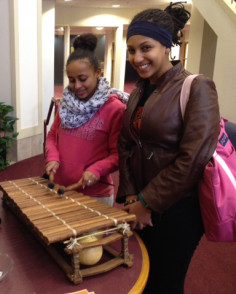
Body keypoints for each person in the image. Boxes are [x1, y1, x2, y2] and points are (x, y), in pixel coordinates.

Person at [116, 2, 220, 293]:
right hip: (138, 202)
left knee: (165, 283)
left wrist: (147, 202)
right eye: (132, 50)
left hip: (178, 211)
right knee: (140, 277)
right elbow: (125, 143)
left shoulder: (197, 87)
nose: (137, 57)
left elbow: (194, 158)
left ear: (166, 46)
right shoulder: (139, 90)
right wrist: (131, 195)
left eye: (146, 48)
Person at [45, 33, 127, 206]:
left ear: (98, 72)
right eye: (71, 80)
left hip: (95, 195)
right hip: (59, 190)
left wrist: (96, 170)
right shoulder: (66, 103)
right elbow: (53, 135)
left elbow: (118, 154)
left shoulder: (115, 109)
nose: (77, 86)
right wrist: (52, 156)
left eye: (83, 79)